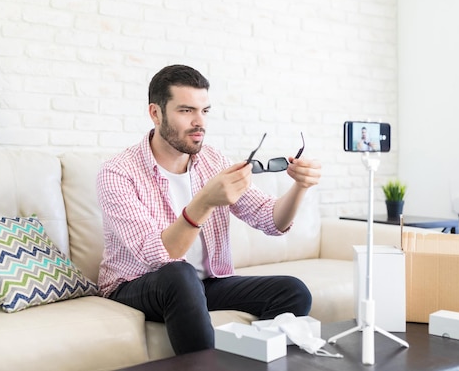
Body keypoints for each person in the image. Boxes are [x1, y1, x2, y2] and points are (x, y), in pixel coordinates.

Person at [96, 64, 322, 355]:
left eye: (204, 111)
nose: (198, 122)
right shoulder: (118, 172)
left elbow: (271, 220)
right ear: (155, 113)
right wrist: (205, 202)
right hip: (136, 285)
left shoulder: (212, 160)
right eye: (186, 111)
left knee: (292, 291)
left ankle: (251, 360)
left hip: (204, 284)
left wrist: (300, 187)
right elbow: (157, 256)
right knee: (179, 274)